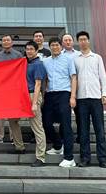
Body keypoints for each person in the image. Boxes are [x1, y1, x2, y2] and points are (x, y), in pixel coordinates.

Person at [74, 31, 106, 168]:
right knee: (83, 130)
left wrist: (104, 94)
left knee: (99, 129)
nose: (83, 41)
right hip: (81, 99)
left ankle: (103, 159)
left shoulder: (97, 58)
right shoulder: (75, 59)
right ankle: (85, 158)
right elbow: (73, 79)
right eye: (80, 39)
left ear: (88, 41)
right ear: (78, 42)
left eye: (85, 39)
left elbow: (103, 77)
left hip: (96, 99)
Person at [41, 37, 77, 168]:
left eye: (57, 45)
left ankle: (69, 158)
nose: (55, 47)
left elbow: (73, 78)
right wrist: (43, 96)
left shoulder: (68, 59)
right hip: (50, 94)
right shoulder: (46, 61)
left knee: (66, 125)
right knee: (46, 122)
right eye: (52, 45)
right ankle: (57, 146)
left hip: (64, 93)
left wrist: (73, 97)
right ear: (49, 47)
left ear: (61, 47)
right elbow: (45, 80)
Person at [0, 34, 22, 145]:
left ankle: (14, 137)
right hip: (0, 88)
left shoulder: (18, 55)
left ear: (12, 42)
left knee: (12, 113)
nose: (6, 42)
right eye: (4, 40)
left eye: (8, 40)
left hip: (13, 88)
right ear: (2, 43)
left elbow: (20, 71)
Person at [24, 41, 47, 167]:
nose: (29, 51)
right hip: (24, 95)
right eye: (27, 49)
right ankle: (19, 146)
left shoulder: (38, 64)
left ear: (37, 51)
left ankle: (41, 157)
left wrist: (34, 103)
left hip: (34, 95)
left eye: (31, 49)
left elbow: (38, 84)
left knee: (37, 127)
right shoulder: (26, 63)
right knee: (13, 119)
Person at [62, 33, 81, 144]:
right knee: (64, 115)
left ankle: (80, 136)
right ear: (62, 43)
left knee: (79, 114)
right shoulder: (59, 55)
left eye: (69, 40)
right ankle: (65, 137)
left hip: (79, 89)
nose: (68, 42)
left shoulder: (79, 55)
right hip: (64, 89)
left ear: (73, 42)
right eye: (65, 40)